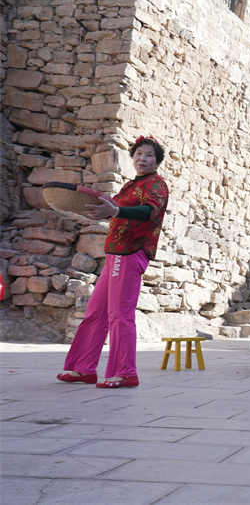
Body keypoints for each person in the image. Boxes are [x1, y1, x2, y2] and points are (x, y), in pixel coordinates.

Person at [57, 136, 169, 388]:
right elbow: (117, 211)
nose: (142, 158)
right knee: (95, 313)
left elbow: (147, 212)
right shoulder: (130, 186)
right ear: (133, 158)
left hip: (130, 254)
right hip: (115, 256)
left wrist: (116, 211)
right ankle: (83, 368)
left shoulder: (156, 185)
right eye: (139, 154)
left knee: (120, 314)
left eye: (149, 155)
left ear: (157, 161)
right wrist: (106, 210)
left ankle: (125, 373)